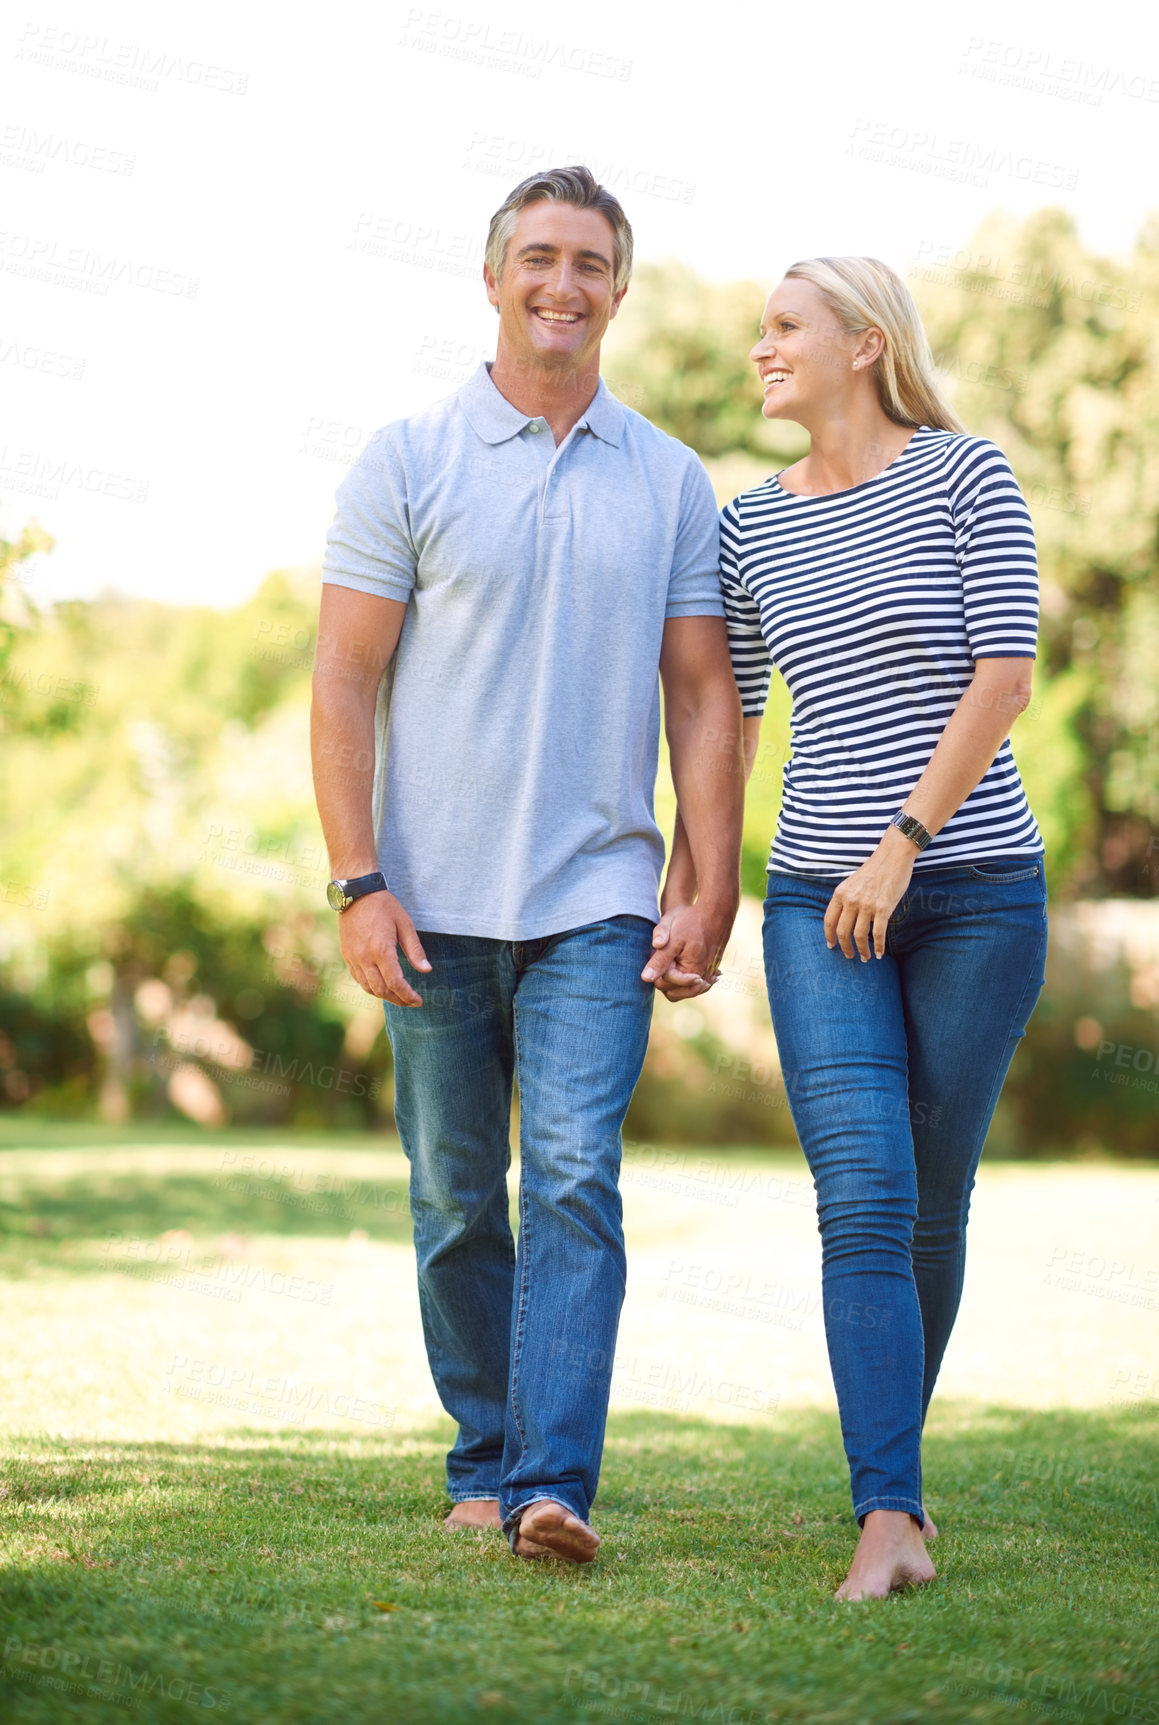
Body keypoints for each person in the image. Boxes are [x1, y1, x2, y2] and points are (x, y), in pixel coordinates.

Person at [310, 166, 744, 1564]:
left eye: (593, 263)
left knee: (569, 1174)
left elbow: (701, 697)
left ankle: (552, 1482)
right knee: (451, 1194)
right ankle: (483, 1456)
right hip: (428, 906)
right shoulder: (408, 458)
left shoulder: (673, 479)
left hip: (598, 901)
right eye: (541, 258)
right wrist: (357, 879)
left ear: (621, 289)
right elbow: (343, 679)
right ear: (493, 276)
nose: (566, 284)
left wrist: (704, 877)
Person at [708, 255, 1047, 1599]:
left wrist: (901, 850)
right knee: (862, 1187)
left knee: (930, 1198)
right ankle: (889, 1513)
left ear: (861, 342)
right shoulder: (748, 527)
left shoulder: (969, 475)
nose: (760, 348)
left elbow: (1005, 673)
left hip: (972, 892)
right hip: (813, 900)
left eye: (784, 327)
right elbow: (730, 715)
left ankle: (893, 1499)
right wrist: (704, 882)